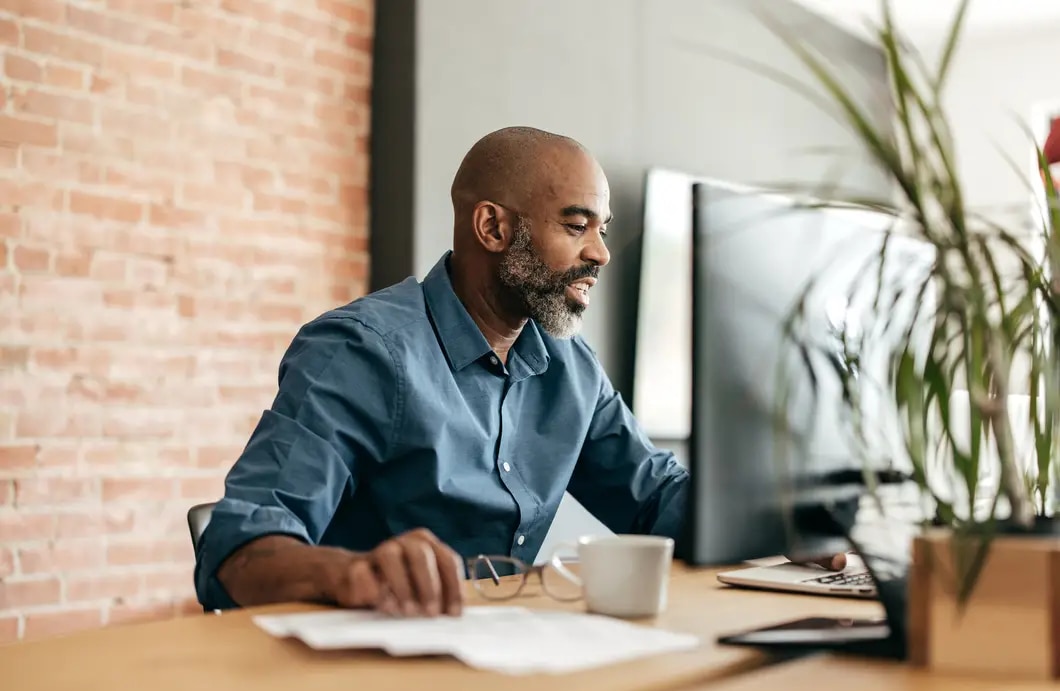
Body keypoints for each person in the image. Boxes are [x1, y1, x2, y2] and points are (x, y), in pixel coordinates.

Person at [194, 126, 843, 616]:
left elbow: (654, 500)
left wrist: (786, 521)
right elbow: (238, 544)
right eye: (577, 225)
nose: (601, 253)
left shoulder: (567, 365)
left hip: (498, 660)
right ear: (492, 226)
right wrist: (350, 572)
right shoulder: (363, 351)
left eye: (603, 228)